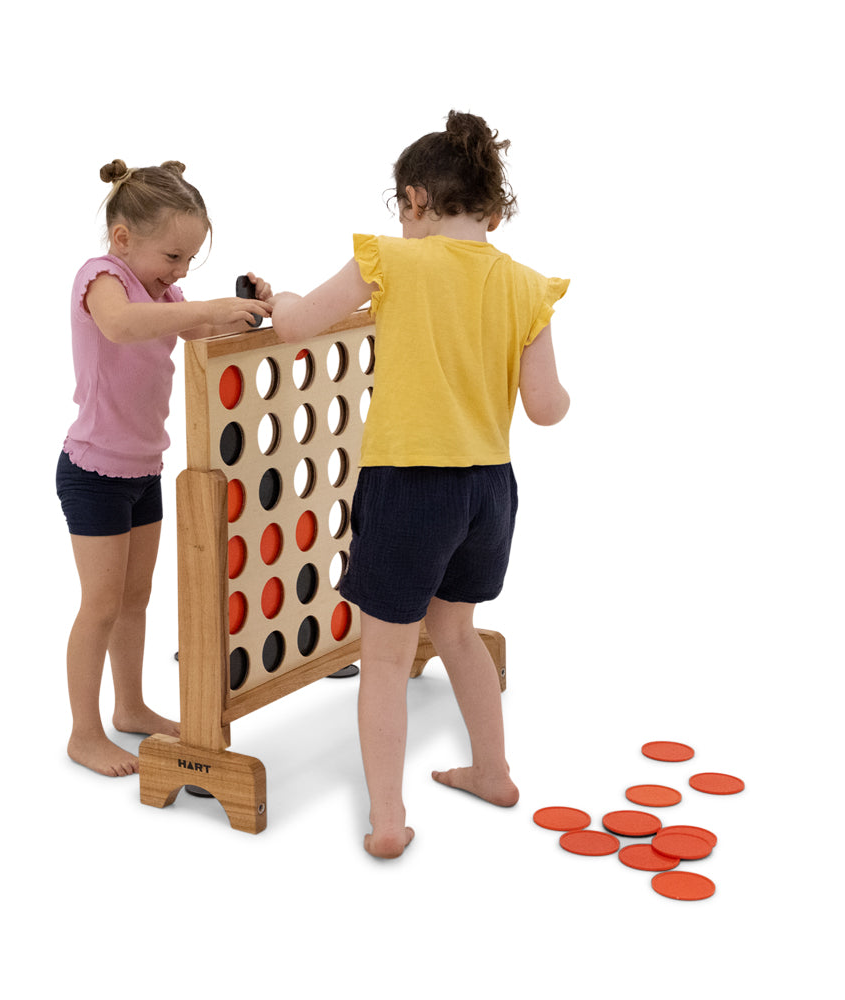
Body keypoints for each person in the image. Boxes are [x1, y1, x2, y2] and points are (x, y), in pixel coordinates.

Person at [268, 112, 570, 857]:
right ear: (490, 206)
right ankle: (493, 772)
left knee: (385, 658)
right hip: (488, 490)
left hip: (409, 485)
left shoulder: (392, 261)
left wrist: (278, 300)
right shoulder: (527, 287)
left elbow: (299, 324)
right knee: (457, 634)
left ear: (415, 200)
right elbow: (545, 407)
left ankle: (387, 820)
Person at [57, 159, 272, 777]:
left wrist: (247, 308)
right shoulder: (102, 278)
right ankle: (83, 733)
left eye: (189, 261)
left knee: (136, 598)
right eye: (173, 257)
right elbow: (122, 326)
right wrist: (201, 306)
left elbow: (204, 331)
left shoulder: (165, 295)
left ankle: (130, 707)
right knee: (100, 604)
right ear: (124, 238)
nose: (179, 272)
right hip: (93, 472)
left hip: (144, 471)